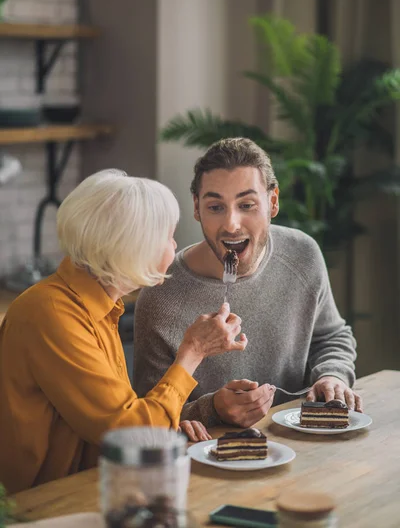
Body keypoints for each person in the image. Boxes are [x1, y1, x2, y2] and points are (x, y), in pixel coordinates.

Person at [0, 169, 247, 494]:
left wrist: (171, 422)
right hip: (41, 506)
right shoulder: (52, 313)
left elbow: (117, 414)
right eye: (167, 236)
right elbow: (130, 434)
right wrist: (192, 352)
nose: (174, 246)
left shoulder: (96, 305)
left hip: (90, 488)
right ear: (131, 246)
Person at [133, 138, 362, 436]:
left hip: (305, 445)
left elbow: (331, 337)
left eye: (247, 205)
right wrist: (212, 408)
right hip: (213, 466)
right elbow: (147, 417)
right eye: (216, 207)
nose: (231, 224)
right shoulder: (160, 296)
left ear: (273, 202)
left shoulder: (303, 254)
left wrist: (333, 376)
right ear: (197, 208)